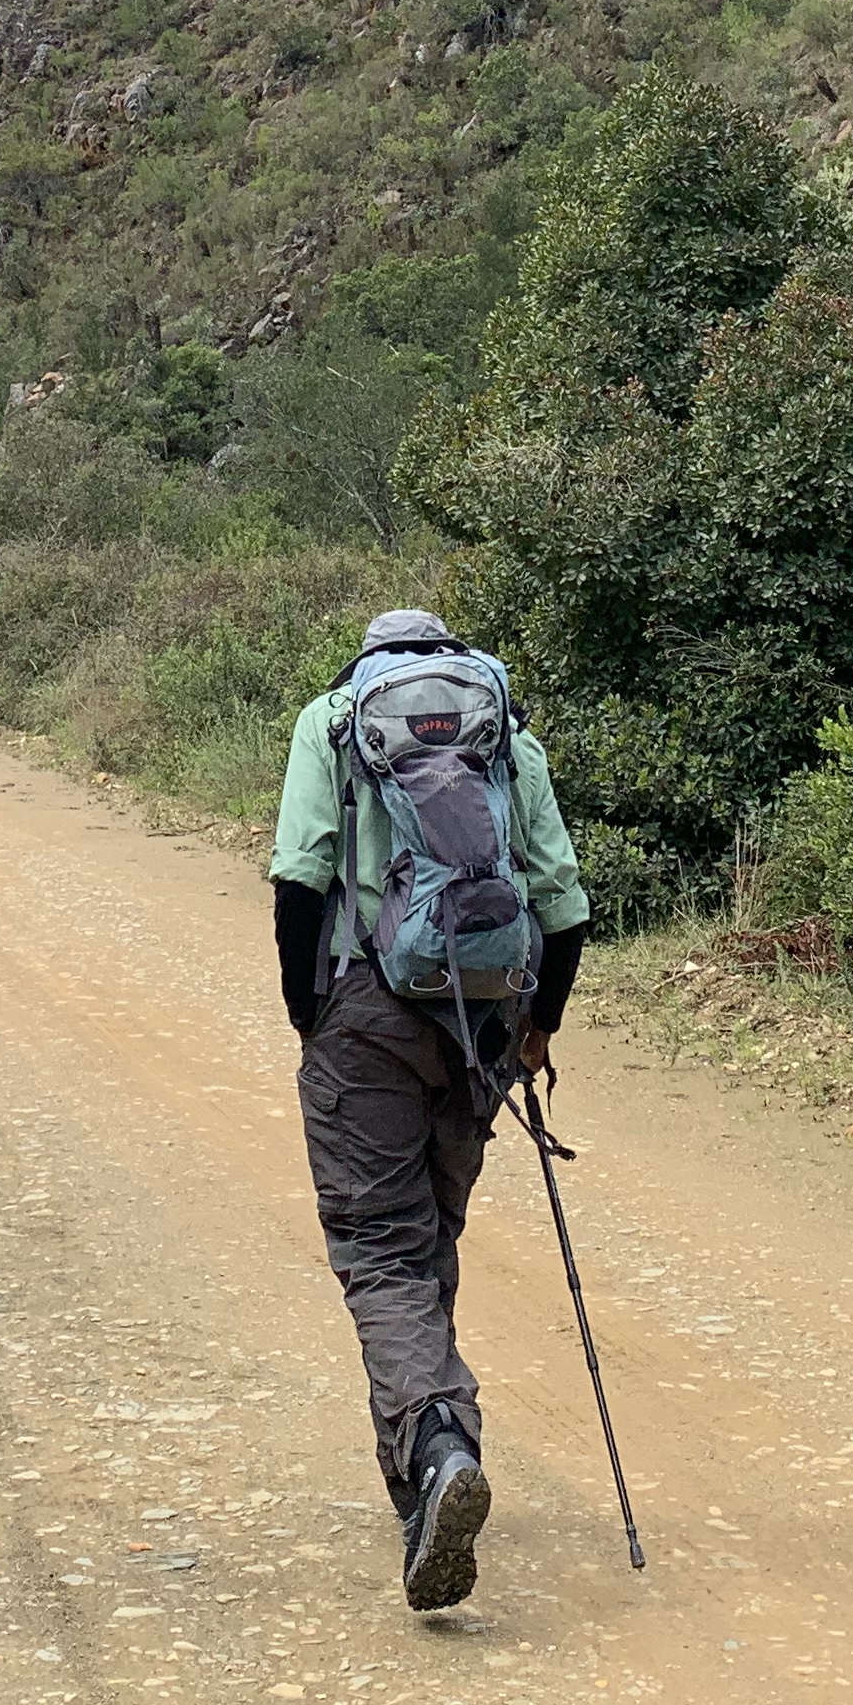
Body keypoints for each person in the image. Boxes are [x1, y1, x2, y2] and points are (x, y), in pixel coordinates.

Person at [268, 607, 589, 1611]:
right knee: (428, 1230)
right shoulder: (505, 730)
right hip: (485, 1011)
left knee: (378, 1243)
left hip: (364, 1007)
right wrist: (537, 1030)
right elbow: (564, 903)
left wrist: (308, 1013)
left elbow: (298, 879)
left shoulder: (332, 721)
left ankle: (439, 1438)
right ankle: (419, 1486)